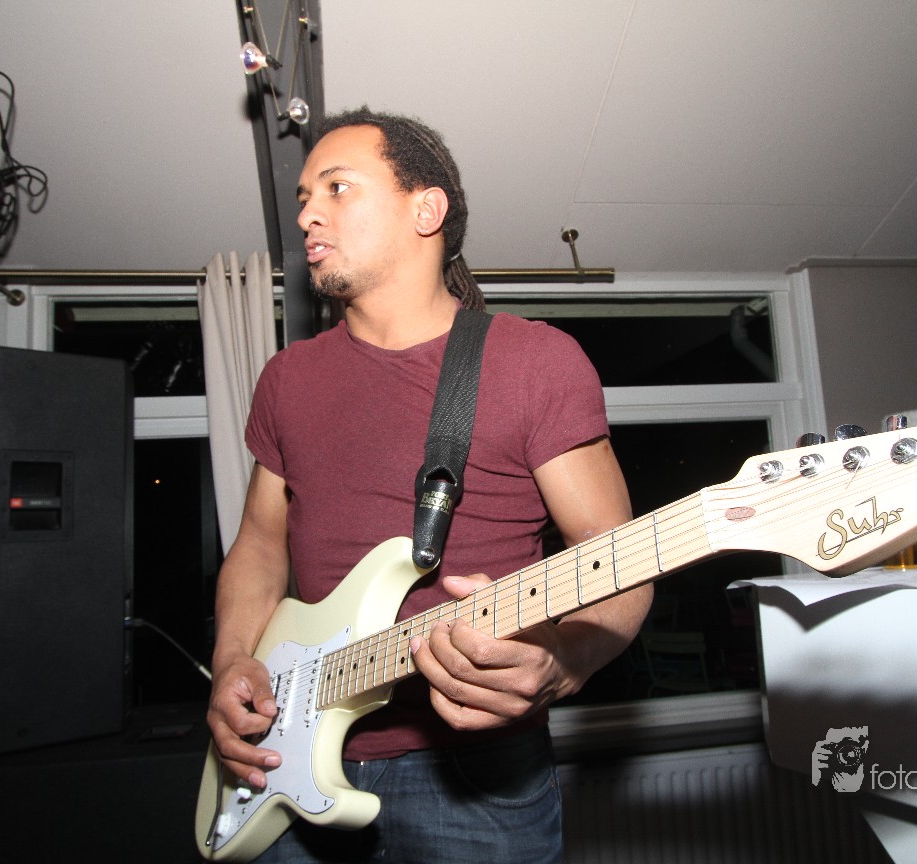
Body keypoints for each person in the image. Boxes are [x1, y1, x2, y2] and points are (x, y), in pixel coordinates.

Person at [206, 107, 653, 863]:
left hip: (477, 773)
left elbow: (616, 553)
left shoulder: (534, 362)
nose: (307, 213)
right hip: (287, 754)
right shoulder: (288, 378)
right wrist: (231, 663)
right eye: (304, 198)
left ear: (426, 210)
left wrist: (564, 661)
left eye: (337, 188)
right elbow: (258, 544)